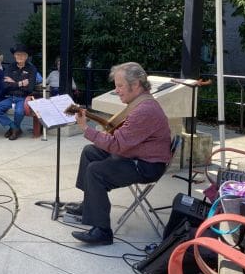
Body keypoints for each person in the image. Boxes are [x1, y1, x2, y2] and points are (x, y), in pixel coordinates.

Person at [70, 62, 171, 245]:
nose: (116, 90)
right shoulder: (140, 102)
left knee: (96, 171)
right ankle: (89, 206)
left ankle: (102, 231)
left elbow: (118, 145)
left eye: (120, 86)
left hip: (147, 166)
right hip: (137, 155)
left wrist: (86, 129)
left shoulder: (144, 109)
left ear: (136, 84)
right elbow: (121, 138)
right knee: (90, 152)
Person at [0, 44, 36, 140]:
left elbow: (30, 88)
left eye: (22, 55)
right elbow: (5, 86)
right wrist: (20, 83)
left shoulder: (31, 69)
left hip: (22, 98)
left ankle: (14, 130)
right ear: (14, 56)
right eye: (17, 54)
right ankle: (14, 127)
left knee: (19, 112)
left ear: (27, 56)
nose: (20, 57)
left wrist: (13, 82)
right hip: (11, 97)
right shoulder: (10, 67)